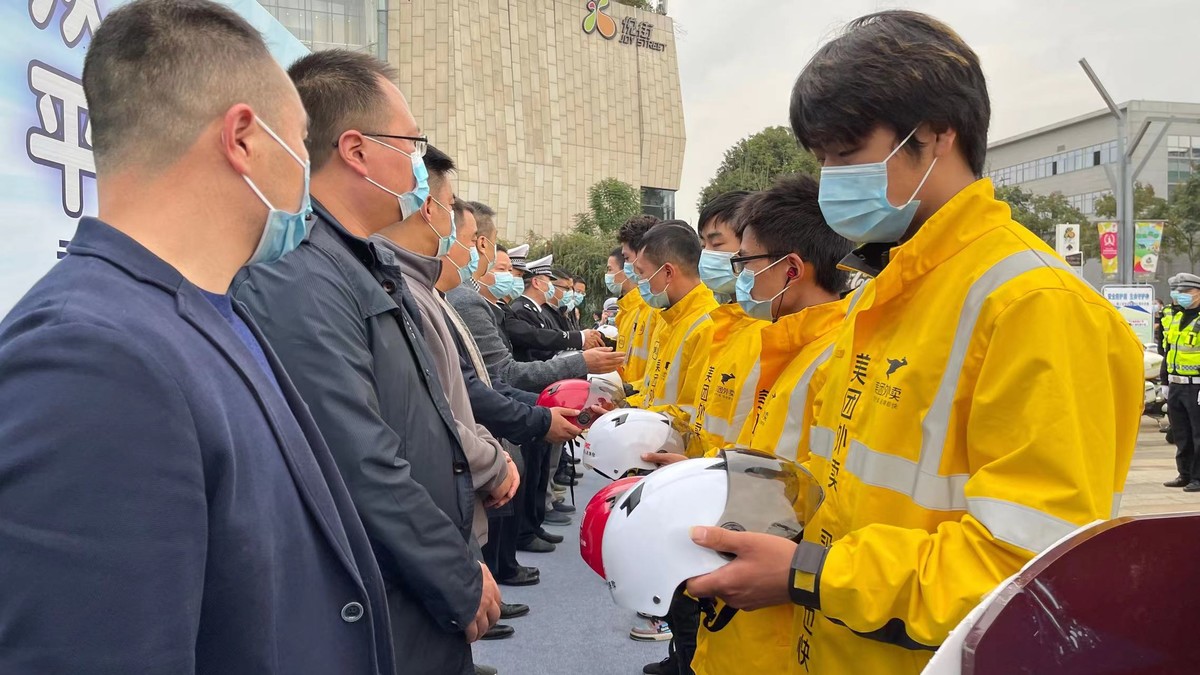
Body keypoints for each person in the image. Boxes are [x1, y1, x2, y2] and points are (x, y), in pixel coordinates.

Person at [685, 11, 1143, 675]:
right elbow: (841, 495)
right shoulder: (882, 298)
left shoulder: (1035, 306)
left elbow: (1027, 570)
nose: (831, 178)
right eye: (822, 159)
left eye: (846, 154)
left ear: (933, 135)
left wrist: (810, 573)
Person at [0, 2, 392, 673]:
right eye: (300, 142)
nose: (306, 171)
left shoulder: (207, 312)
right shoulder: (90, 358)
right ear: (242, 138)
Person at [232, 50, 498, 675]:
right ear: (355, 150)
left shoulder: (362, 264)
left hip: (410, 592)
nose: (418, 167)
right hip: (377, 602)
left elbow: (419, 422)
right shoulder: (300, 273)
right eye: (411, 145)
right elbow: (356, 459)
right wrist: (455, 573)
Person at [366, 148, 516, 552]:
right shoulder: (402, 292)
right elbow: (429, 417)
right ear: (429, 208)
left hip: (458, 489)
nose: (474, 252)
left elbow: (456, 391)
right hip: (440, 510)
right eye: (451, 206)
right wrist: (494, 462)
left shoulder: (422, 288)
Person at [630, 222, 720, 416]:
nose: (639, 282)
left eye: (642, 273)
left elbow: (691, 411)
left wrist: (638, 420)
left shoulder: (707, 326)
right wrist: (626, 404)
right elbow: (651, 392)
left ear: (668, 272)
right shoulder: (668, 318)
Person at [504, 256, 602, 361]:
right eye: (549, 282)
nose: (552, 287)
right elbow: (537, 343)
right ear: (536, 282)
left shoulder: (537, 310)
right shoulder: (522, 309)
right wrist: (580, 338)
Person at [1163, 273, 1200, 490]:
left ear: (1198, 293)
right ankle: (1184, 474)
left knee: (1198, 434)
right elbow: (1169, 350)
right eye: (1180, 291)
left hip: (1196, 385)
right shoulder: (1178, 317)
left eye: (1186, 291)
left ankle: (1198, 477)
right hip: (1176, 384)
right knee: (1181, 433)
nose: (1181, 295)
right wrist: (1165, 381)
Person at [616, 215, 664, 386]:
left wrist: (629, 390)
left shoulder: (660, 306)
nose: (626, 266)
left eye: (626, 258)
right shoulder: (643, 304)